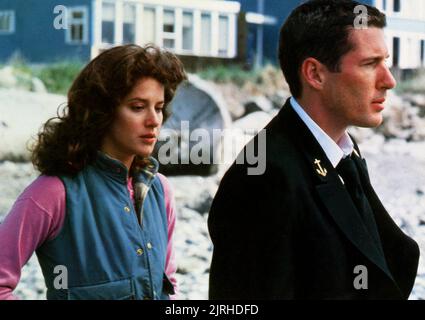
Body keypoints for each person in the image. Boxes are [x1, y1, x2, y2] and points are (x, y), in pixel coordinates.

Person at [208, 0, 419, 299]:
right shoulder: (264, 178)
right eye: (370, 64)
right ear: (315, 74)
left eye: (386, 61)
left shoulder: (342, 150)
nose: (390, 80)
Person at [0, 44, 186, 300]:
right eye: (137, 106)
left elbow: (169, 285)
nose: (154, 120)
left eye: (158, 107)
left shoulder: (159, 190)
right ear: (103, 112)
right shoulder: (53, 193)